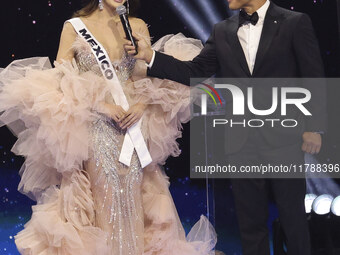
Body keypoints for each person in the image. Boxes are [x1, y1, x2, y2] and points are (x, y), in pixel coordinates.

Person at [0, 0, 218, 254]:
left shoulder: (135, 26)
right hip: (95, 127)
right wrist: (103, 106)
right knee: (103, 198)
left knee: (134, 198)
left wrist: (141, 105)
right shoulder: (75, 27)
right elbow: (61, 79)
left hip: (133, 127)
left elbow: (144, 73)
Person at [124, 0, 327, 254]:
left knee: (293, 221)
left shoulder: (295, 22)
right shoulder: (222, 30)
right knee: (251, 226)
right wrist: (150, 56)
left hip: (284, 138)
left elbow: (313, 74)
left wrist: (315, 126)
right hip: (241, 141)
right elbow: (193, 71)